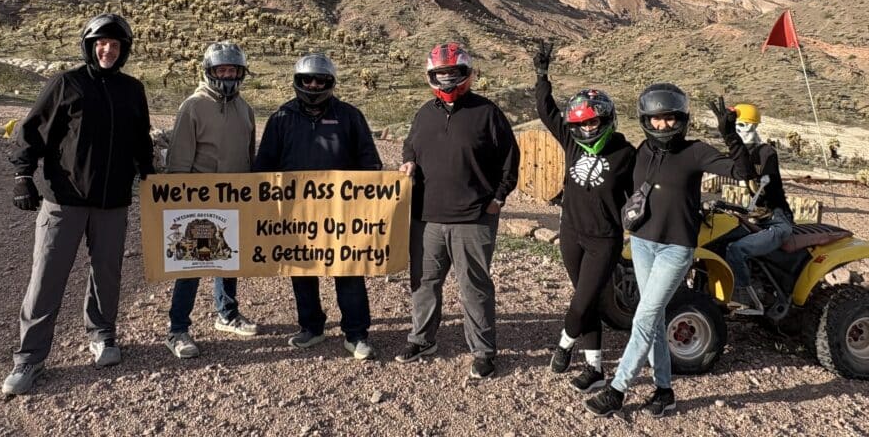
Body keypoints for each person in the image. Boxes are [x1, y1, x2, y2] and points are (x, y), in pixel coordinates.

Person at [2, 14, 153, 396]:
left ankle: (102, 335)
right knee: (47, 278)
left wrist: (149, 170)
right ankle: (29, 359)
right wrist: (23, 175)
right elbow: (31, 131)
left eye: (116, 45)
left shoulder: (132, 89)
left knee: (107, 273)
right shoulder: (66, 84)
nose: (108, 50)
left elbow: (140, 139)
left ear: (124, 51)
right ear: (89, 46)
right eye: (102, 43)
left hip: (113, 202)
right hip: (64, 201)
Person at [585, 84, 753, 419]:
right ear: (646, 119)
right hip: (644, 244)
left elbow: (742, 172)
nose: (663, 125)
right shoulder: (641, 152)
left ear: (682, 119)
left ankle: (617, 390)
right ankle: (664, 391)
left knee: (645, 318)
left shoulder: (695, 152)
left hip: (676, 249)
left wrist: (731, 137)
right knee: (655, 318)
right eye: (656, 119)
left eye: (670, 118)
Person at [395, 42, 519, 380]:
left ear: (466, 73)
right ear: (431, 76)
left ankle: (483, 351)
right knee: (423, 283)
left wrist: (498, 198)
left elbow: (510, 158)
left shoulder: (487, 112)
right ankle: (422, 339)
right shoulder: (425, 112)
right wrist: (408, 161)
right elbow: (411, 144)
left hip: (473, 218)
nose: (447, 79)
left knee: (474, 287)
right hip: (427, 218)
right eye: (440, 74)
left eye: (452, 73)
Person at [253, 53, 382, 361]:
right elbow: (265, 166)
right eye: (306, 80)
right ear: (297, 82)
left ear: (330, 83)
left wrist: (371, 194)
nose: (313, 85)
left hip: (342, 213)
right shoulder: (281, 118)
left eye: (320, 80)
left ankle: (356, 333)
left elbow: (369, 160)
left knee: (348, 270)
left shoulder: (350, 115)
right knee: (300, 269)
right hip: (296, 214)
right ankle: (311, 327)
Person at [532, 41, 635, 391]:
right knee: (585, 298)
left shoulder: (624, 152)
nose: (589, 129)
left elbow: (644, 188)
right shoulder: (572, 142)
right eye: (583, 123)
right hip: (572, 232)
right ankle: (595, 369)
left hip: (604, 239)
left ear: (606, 120)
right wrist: (542, 75)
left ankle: (564, 343)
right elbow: (546, 111)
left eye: (595, 122)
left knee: (581, 301)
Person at [164, 42, 259, 359]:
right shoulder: (193, 106)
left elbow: (249, 154)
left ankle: (227, 314)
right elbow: (178, 159)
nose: (228, 75)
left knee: (228, 258)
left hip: (234, 198)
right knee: (191, 264)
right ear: (210, 71)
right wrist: (178, 200)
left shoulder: (244, 108)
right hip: (198, 201)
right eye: (222, 70)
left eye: (232, 70)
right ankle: (177, 330)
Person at [723, 103, 794, 315]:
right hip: (752, 218)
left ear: (753, 127)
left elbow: (753, 178)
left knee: (737, 250)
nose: (738, 131)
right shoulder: (738, 154)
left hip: (776, 219)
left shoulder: (766, 153)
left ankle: (745, 299)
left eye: (741, 126)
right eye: (734, 127)